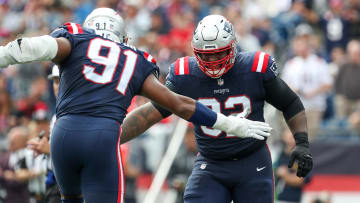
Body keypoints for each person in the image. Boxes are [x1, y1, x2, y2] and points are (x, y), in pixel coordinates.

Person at [0, 8, 272, 203]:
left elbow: (32, 47)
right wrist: (231, 123)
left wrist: (4, 56)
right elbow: (179, 104)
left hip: (62, 135)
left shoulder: (74, 39)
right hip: (102, 136)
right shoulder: (132, 58)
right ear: (122, 36)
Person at [120, 15, 313, 203]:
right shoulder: (186, 75)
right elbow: (152, 112)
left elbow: (290, 103)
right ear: (195, 52)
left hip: (252, 160)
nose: (212, 61)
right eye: (206, 55)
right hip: (210, 163)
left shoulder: (254, 68)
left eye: (219, 53)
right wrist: (114, 136)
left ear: (232, 47)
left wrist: (302, 141)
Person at [27, 64, 61, 203]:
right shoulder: (56, 115)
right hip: (53, 183)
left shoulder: (79, 113)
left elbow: (82, 155)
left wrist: (50, 150)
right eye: (55, 81)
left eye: (61, 80)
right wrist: (43, 146)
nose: (57, 86)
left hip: (70, 187)